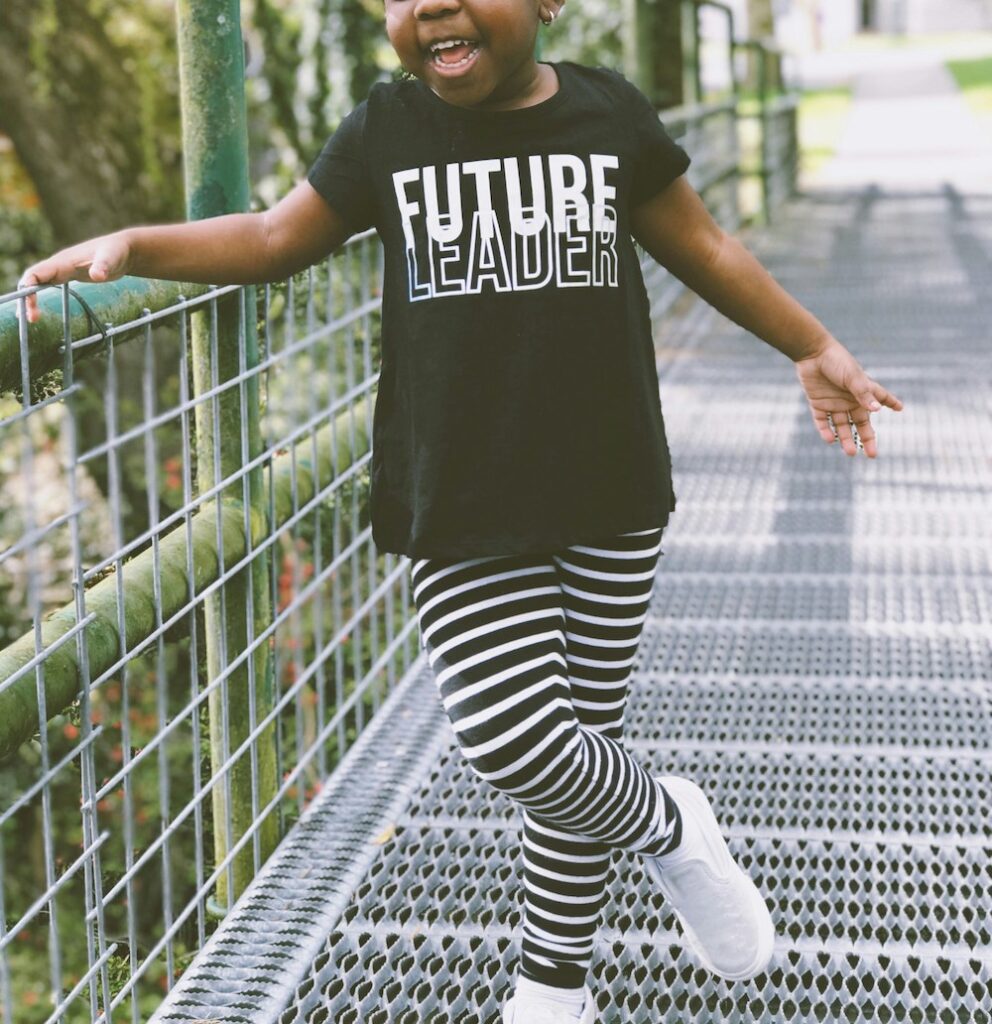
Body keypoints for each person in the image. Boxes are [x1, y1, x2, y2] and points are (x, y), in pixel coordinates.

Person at [16, 1, 904, 1020]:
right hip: (458, 491)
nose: (430, 6)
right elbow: (268, 237)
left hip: (606, 482)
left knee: (580, 737)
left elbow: (702, 246)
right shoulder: (388, 129)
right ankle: (668, 822)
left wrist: (810, 345)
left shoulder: (607, 115)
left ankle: (552, 988)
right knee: (513, 736)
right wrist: (137, 243)